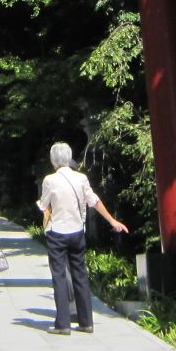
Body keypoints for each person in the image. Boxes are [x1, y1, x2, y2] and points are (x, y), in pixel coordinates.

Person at [37, 141, 127, 333]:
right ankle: (86, 322)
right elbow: (94, 201)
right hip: (77, 231)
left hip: (57, 233)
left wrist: (41, 204)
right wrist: (112, 220)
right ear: (69, 158)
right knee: (80, 275)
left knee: (59, 276)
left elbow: (44, 205)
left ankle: (63, 324)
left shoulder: (49, 180)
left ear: (53, 160)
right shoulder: (81, 178)